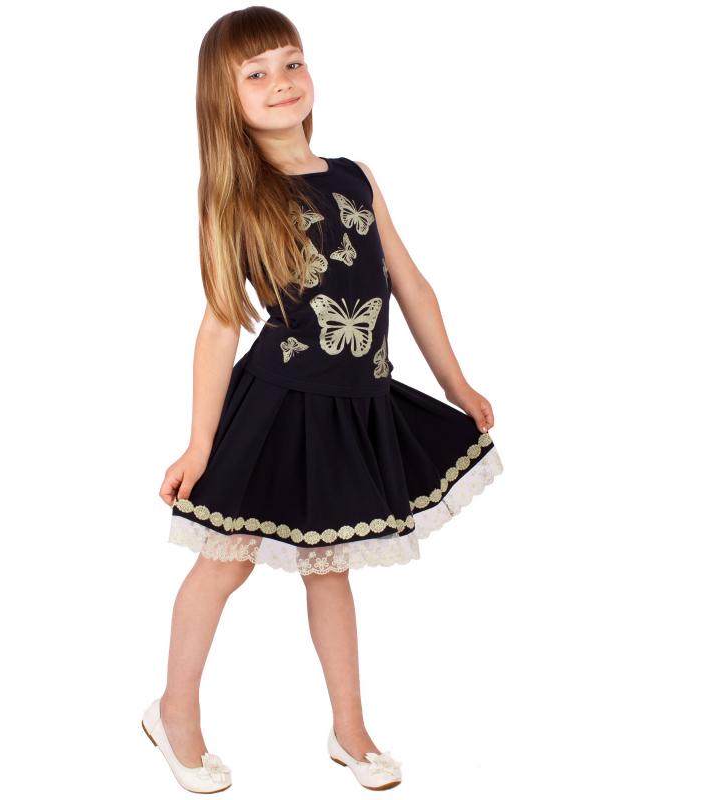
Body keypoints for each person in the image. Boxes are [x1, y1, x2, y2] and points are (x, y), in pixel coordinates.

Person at [141, 6, 504, 793]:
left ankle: (349, 728)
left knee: (330, 564)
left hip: (353, 404)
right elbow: (219, 326)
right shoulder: (238, 195)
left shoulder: (355, 177)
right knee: (225, 563)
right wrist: (199, 443)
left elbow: (409, 285)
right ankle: (174, 711)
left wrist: (456, 382)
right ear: (225, 98)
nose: (282, 81)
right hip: (277, 404)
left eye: (291, 62)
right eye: (256, 73)